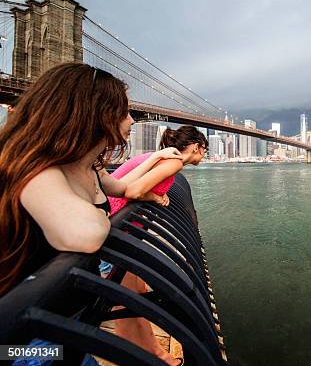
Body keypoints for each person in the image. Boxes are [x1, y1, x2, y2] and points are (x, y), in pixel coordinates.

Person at [0, 63, 183, 365]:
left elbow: (124, 188)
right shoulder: (39, 173)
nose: (131, 120)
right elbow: (85, 235)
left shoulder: (88, 167)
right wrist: (105, 215)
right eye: (125, 112)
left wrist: (157, 157)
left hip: (67, 319)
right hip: (28, 341)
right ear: (96, 114)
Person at [102, 126, 206, 364]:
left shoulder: (166, 159)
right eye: (204, 151)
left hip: (123, 229)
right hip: (119, 231)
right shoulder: (174, 162)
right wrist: (156, 197)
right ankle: (148, 354)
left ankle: (149, 351)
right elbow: (135, 190)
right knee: (126, 302)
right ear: (195, 147)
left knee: (134, 296)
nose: (203, 156)